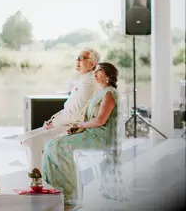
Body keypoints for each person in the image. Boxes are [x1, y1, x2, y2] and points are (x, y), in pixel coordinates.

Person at [42, 62, 124, 205]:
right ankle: (53, 189)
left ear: (109, 76)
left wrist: (79, 125)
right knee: (50, 144)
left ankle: (68, 192)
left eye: (99, 70)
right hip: (90, 132)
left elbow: (100, 121)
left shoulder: (109, 93)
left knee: (59, 146)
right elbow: (87, 117)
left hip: (101, 137)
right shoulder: (100, 92)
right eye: (95, 70)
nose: (95, 72)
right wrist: (76, 126)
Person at [18, 48, 99, 170]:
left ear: (92, 64)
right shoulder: (83, 80)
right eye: (77, 58)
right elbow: (68, 108)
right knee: (24, 137)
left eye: (82, 58)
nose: (77, 61)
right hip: (67, 122)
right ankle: (39, 174)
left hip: (75, 127)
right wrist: (53, 120)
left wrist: (55, 123)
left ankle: (38, 181)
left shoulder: (88, 83)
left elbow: (76, 114)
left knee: (33, 142)